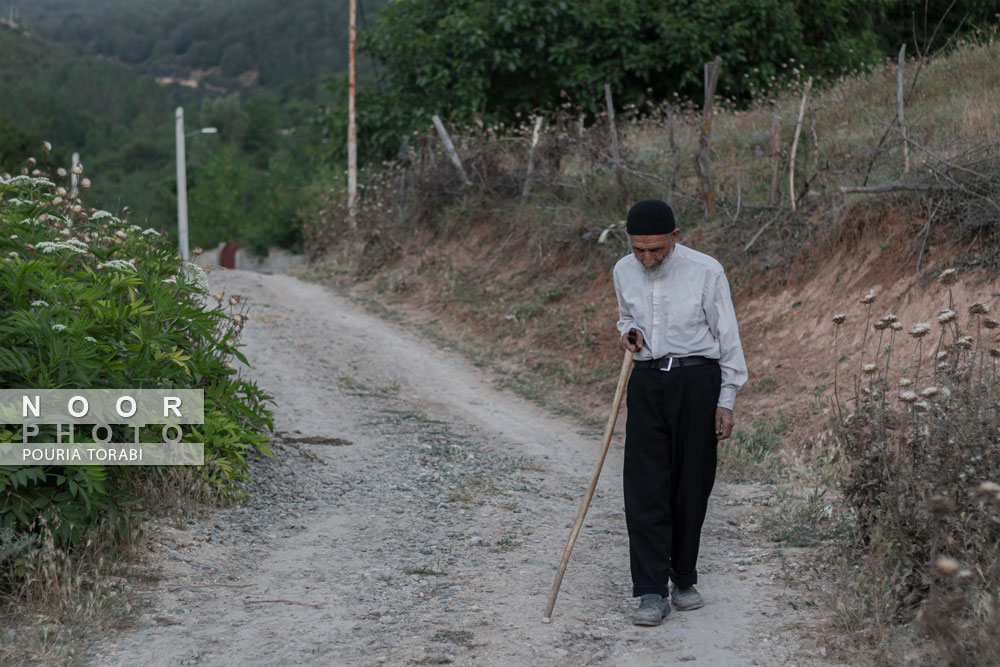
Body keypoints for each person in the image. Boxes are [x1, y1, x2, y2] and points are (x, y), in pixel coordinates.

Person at [612, 198, 747, 626]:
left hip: (697, 381)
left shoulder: (706, 270)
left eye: (655, 249)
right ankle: (650, 590)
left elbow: (728, 338)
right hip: (647, 380)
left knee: (692, 484)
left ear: (674, 237)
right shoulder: (622, 270)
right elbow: (625, 318)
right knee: (644, 485)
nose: (647, 258)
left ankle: (683, 578)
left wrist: (726, 399)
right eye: (639, 250)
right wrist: (627, 333)